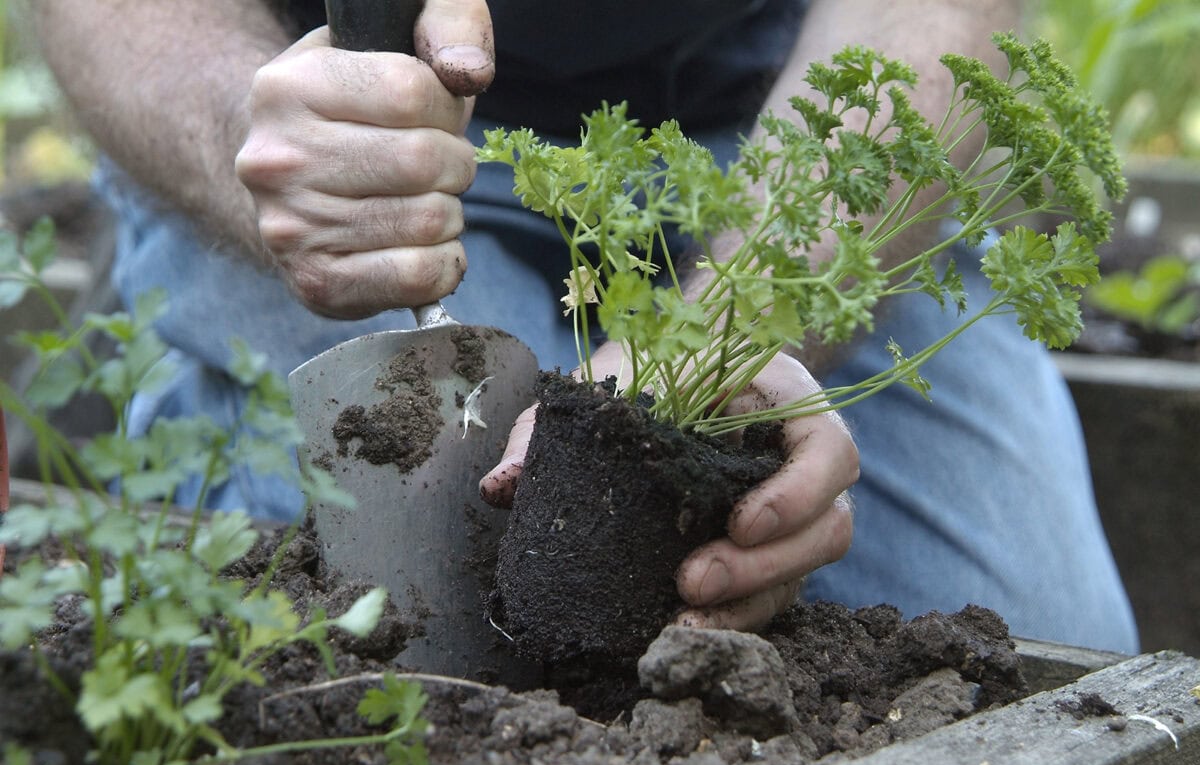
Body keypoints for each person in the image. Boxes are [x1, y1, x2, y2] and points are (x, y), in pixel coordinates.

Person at [33, 0, 1139, 653]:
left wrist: (726, 340)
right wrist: (272, 138)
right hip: (316, 123)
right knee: (435, 620)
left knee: (1054, 656)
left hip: (776, 151)